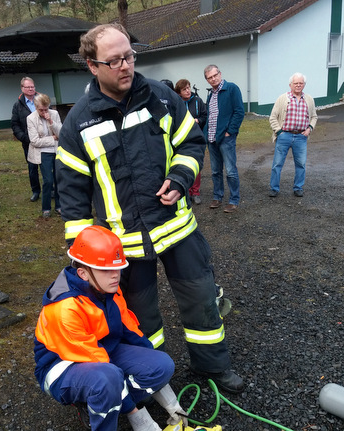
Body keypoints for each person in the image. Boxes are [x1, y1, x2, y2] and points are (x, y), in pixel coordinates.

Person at [56, 23, 244, 395]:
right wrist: (85, 260)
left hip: (177, 229)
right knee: (141, 320)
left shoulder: (160, 96)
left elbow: (191, 142)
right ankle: (157, 380)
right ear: (92, 66)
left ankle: (213, 366)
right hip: (123, 244)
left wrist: (178, 179)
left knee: (202, 301)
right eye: (114, 61)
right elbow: (73, 195)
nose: (125, 66)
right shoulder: (77, 123)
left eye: (129, 56)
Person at [34, 225, 187, 431]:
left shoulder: (108, 288)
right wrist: (140, 420)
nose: (116, 275)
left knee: (162, 365)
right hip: (61, 366)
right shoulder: (65, 309)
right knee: (107, 380)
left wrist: (168, 398)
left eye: (118, 268)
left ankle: (106, 402)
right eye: (105, 270)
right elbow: (97, 362)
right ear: (83, 273)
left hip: (102, 351)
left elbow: (131, 331)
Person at [269, 72, 318, 197]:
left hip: (301, 137)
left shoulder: (309, 100)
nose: (298, 85)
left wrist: (309, 129)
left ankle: (298, 187)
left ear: (304, 85)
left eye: (301, 83)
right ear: (290, 84)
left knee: (301, 164)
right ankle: (274, 189)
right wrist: (279, 132)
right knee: (277, 164)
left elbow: (314, 117)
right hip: (284, 135)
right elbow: (273, 117)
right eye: (295, 83)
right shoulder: (282, 98)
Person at [203, 64, 245, 212]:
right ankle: (217, 197)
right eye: (210, 78)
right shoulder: (211, 95)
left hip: (226, 138)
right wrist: (206, 134)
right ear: (207, 80)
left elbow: (239, 111)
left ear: (220, 74)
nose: (213, 79)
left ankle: (234, 200)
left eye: (215, 75)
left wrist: (230, 132)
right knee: (215, 171)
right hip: (212, 139)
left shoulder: (231, 88)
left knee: (230, 171)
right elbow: (210, 116)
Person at [27, 93, 62, 218]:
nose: (44, 112)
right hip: (43, 153)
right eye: (41, 110)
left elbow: (61, 133)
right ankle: (46, 208)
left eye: (46, 109)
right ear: (36, 107)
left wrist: (51, 122)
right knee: (48, 180)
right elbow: (35, 141)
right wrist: (53, 138)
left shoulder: (55, 114)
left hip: (56, 151)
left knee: (59, 179)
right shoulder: (31, 118)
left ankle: (59, 206)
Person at [175, 79, 207, 205]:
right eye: (184, 89)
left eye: (188, 88)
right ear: (179, 92)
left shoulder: (198, 101)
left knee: (196, 166)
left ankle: (195, 192)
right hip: (181, 140)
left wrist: (198, 121)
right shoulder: (177, 103)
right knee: (182, 165)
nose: (188, 91)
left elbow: (205, 116)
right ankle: (185, 191)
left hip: (196, 139)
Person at [11, 77, 41, 202]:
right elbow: (15, 124)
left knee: (47, 167)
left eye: (32, 86)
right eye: (28, 87)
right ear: (22, 89)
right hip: (28, 143)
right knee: (32, 168)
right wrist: (23, 137)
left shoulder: (42, 100)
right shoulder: (18, 105)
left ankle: (51, 190)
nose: (31, 89)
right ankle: (35, 191)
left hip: (44, 140)